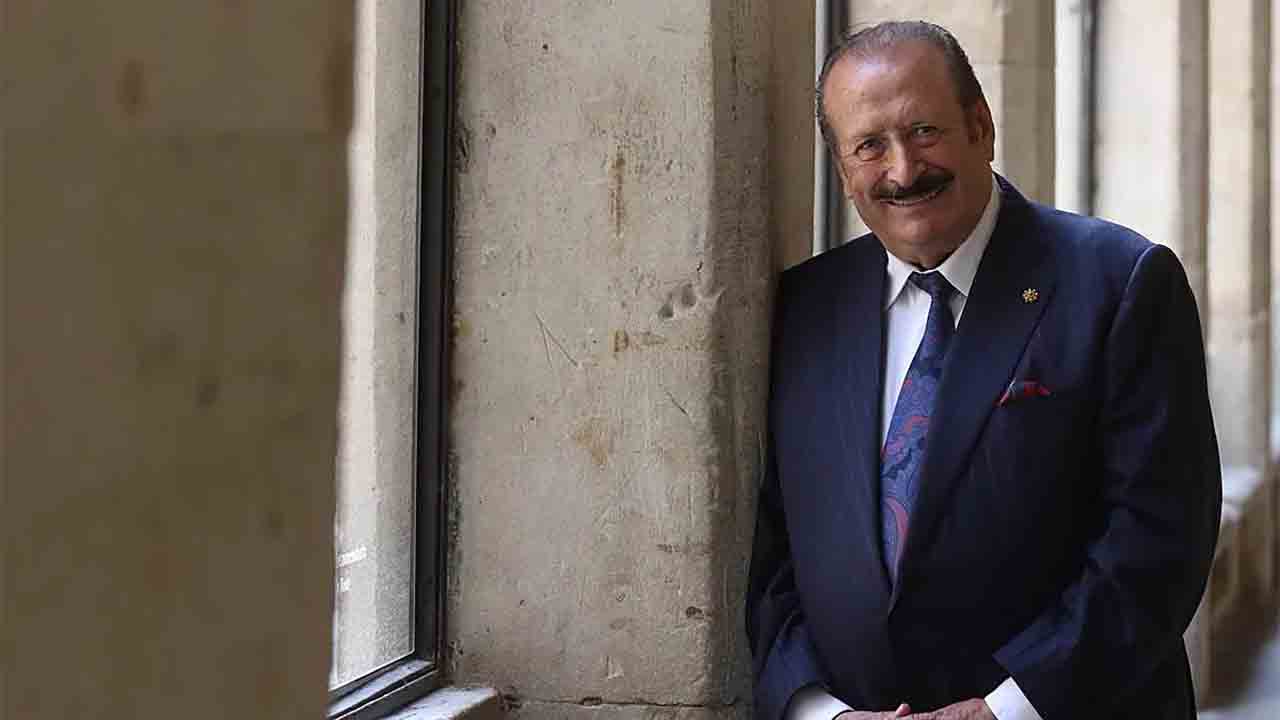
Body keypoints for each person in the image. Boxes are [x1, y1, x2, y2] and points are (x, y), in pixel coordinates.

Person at [745, 20, 1222, 720]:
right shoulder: (804, 307)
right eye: (869, 146)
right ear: (842, 172)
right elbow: (775, 550)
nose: (903, 170)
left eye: (924, 131)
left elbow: (1157, 542)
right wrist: (821, 711)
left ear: (981, 127)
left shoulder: (1121, 282)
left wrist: (1004, 710)